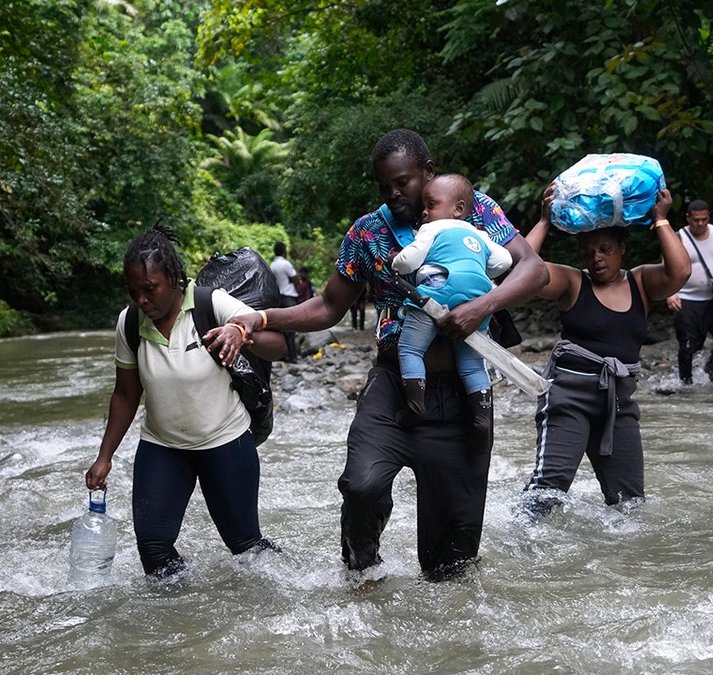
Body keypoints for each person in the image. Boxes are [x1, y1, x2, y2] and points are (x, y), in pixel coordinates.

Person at [227, 129, 548, 581]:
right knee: (361, 484)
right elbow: (327, 306)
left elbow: (534, 270)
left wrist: (482, 306)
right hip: (395, 381)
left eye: (402, 182)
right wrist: (259, 319)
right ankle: (364, 571)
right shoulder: (368, 231)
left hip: (463, 391)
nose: (393, 194)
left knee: (450, 565)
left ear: (428, 172)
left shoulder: (474, 209)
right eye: (384, 186)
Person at [84, 225, 285, 579]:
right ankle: (182, 615)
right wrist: (104, 457)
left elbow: (280, 344)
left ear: (175, 278)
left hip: (224, 441)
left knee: (245, 546)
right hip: (163, 445)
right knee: (153, 547)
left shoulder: (212, 303)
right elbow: (126, 394)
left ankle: (293, 582)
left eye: (149, 289)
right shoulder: (130, 323)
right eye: (134, 292)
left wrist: (242, 334)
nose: (142, 300)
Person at [520, 186, 690, 518]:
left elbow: (680, 272)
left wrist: (661, 220)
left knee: (630, 503)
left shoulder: (640, 282)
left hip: (618, 404)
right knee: (548, 490)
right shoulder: (572, 282)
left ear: (622, 249)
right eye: (588, 252)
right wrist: (544, 219)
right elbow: (523, 270)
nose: (596, 258)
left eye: (605, 249)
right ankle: (519, 542)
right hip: (568, 399)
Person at [390, 173, 512, 447]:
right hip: (477, 299)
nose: (424, 211)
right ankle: (481, 418)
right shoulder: (478, 233)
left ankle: (415, 405)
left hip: (439, 288)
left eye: (431, 204)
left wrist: (395, 262)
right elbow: (504, 261)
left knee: (410, 349)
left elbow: (409, 261)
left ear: (457, 209)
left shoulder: (431, 229)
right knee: (470, 363)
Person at [665, 199, 713, 385]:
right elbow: (666, 267)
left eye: (704, 219)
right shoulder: (678, 237)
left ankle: (712, 365)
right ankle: (686, 382)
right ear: (688, 218)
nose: (700, 224)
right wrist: (670, 293)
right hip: (687, 299)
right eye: (696, 220)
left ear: (708, 217)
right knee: (688, 345)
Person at [269, 242, 300, 362]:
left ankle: (283, 355)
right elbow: (296, 279)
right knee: (291, 328)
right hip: (288, 297)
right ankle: (293, 356)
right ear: (284, 251)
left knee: (280, 327)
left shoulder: (272, 265)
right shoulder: (285, 264)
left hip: (278, 297)